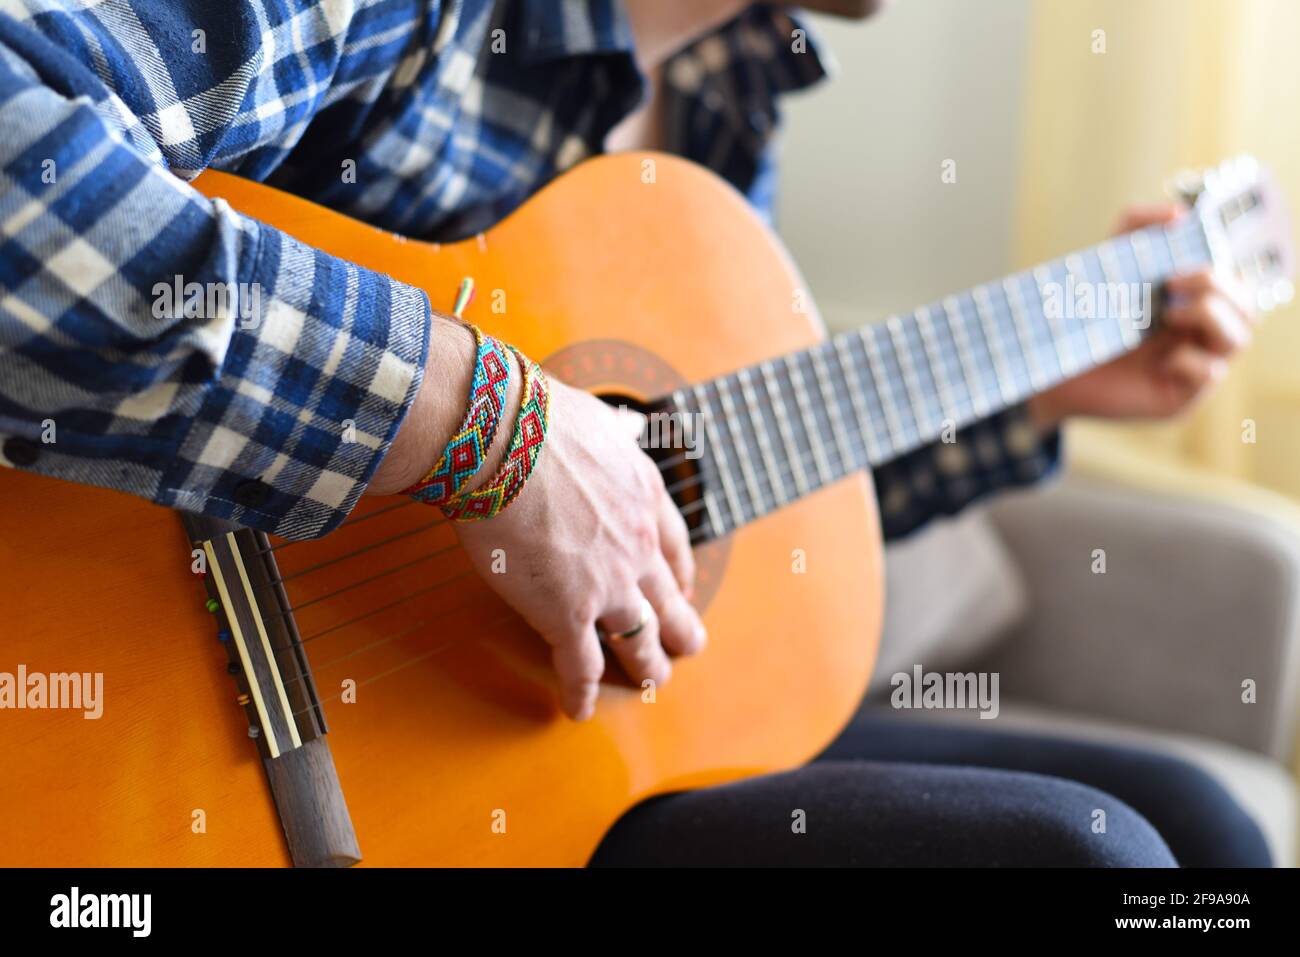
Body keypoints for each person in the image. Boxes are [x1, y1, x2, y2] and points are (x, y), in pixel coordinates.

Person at [0, 0, 1270, 866]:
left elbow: (686, 517)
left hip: (518, 743)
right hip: (187, 753)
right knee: (1090, 858)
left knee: (1199, 836)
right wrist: (485, 431)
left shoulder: (729, 106)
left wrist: (1038, 393)